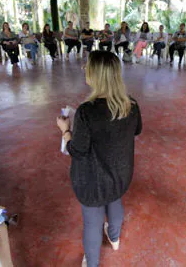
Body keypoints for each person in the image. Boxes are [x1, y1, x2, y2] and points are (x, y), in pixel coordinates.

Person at [56, 51, 142, 267]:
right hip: (120, 173)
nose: (84, 69)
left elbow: (78, 151)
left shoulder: (87, 111)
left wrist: (66, 131)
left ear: (96, 75)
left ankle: (92, 263)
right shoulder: (130, 104)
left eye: (87, 67)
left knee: (92, 223)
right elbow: (136, 130)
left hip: (93, 180)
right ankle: (114, 238)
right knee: (114, 200)